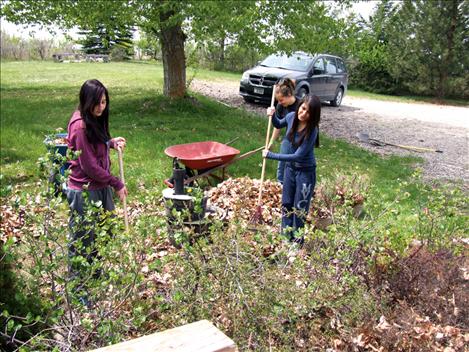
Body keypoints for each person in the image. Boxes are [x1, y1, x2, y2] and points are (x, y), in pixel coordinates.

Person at [66, 79, 127, 294]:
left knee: (104, 232)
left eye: (104, 102)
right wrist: (116, 183)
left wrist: (109, 143)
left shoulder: (91, 119)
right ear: (86, 101)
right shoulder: (80, 126)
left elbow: (95, 143)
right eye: (97, 103)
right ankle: (78, 288)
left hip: (100, 187)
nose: (101, 107)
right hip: (85, 191)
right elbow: (90, 166)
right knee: (84, 238)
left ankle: (95, 275)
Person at [263, 94, 320, 243]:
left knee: (300, 208)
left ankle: (297, 242)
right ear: (299, 105)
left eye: (308, 112)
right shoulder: (291, 117)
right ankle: (285, 237)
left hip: (305, 173)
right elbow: (278, 124)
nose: (303, 113)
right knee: (286, 204)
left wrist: (271, 155)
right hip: (290, 170)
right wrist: (273, 114)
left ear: (313, 115)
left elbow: (297, 156)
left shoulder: (312, 131)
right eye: (302, 109)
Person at [267, 78, 300, 184]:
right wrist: (272, 141)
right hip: (288, 137)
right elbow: (278, 125)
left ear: (289, 94)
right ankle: (280, 184)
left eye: (281, 100)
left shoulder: (301, 106)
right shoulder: (281, 106)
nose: (280, 103)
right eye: (278, 101)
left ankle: (294, 184)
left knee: (295, 164)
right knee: (282, 163)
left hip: (300, 140)